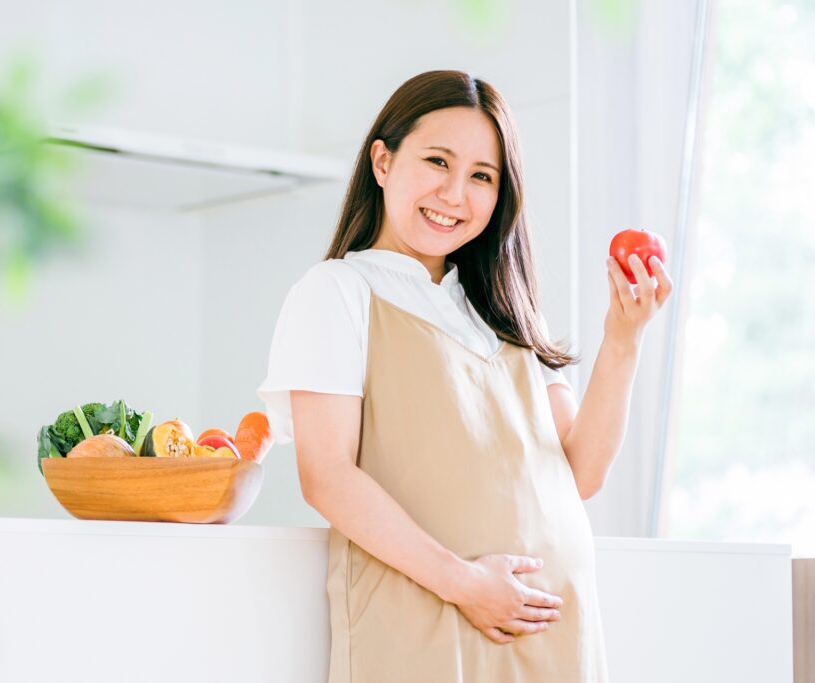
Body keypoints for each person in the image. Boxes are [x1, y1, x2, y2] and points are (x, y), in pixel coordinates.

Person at [257, 70, 673, 682]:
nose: (455, 193)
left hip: (555, 635)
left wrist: (624, 338)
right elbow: (327, 477)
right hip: (428, 625)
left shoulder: (505, 311)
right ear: (382, 160)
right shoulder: (338, 292)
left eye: (482, 176)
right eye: (437, 162)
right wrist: (467, 584)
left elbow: (581, 471)